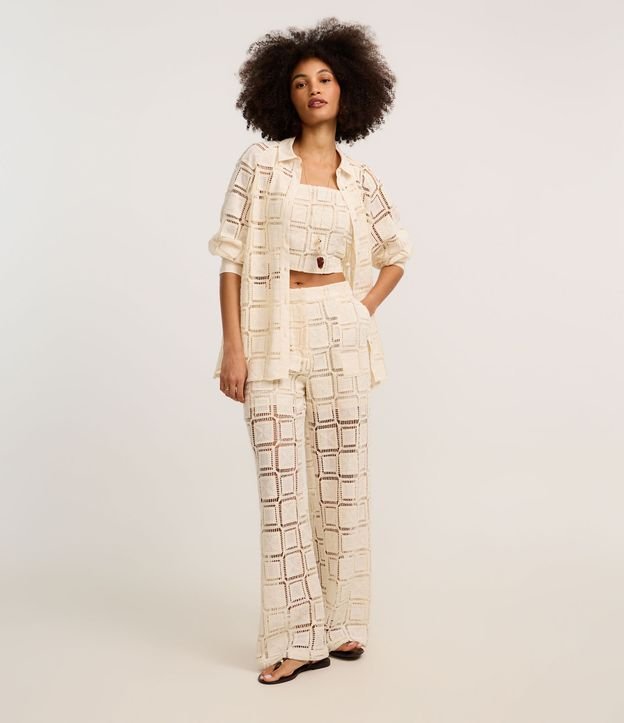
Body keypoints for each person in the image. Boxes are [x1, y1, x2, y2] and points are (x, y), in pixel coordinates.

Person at [208, 17, 413, 684]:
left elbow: (396, 253)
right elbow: (231, 258)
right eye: (300, 82)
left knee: (342, 479)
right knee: (282, 486)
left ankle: (344, 622)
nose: (313, 89)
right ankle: (297, 637)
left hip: (338, 328)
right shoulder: (260, 165)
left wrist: (360, 308)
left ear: (347, 89)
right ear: (283, 94)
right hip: (271, 328)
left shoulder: (360, 179)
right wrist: (232, 346)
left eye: (324, 78)